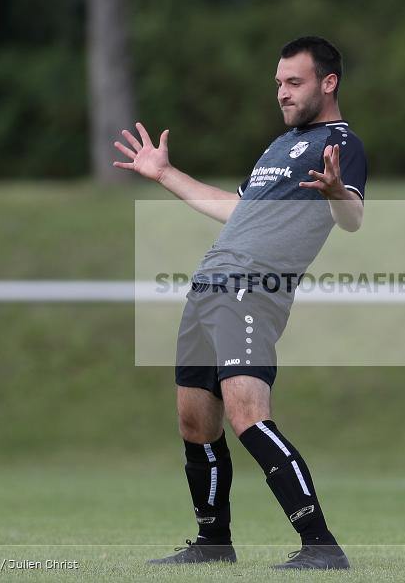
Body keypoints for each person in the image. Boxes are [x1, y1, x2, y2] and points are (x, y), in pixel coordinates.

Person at [114, 36, 367, 570]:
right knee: (195, 421)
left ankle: (322, 546)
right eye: (278, 83)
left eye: (294, 82)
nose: (282, 92)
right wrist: (163, 174)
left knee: (248, 415)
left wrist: (336, 193)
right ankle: (213, 542)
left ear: (329, 82)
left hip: (254, 288)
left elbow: (352, 220)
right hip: (210, 285)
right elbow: (239, 210)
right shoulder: (278, 147)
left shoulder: (343, 144)